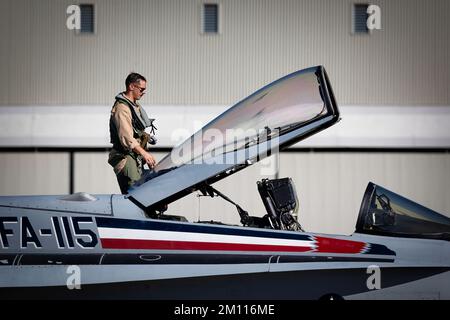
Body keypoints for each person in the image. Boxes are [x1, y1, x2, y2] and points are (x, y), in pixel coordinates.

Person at [108, 72, 157, 194]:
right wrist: (145, 154)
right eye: (141, 89)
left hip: (134, 157)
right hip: (125, 157)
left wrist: (147, 138)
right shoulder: (122, 108)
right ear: (131, 86)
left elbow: (134, 131)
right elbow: (127, 138)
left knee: (145, 190)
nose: (143, 92)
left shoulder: (134, 106)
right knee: (136, 194)